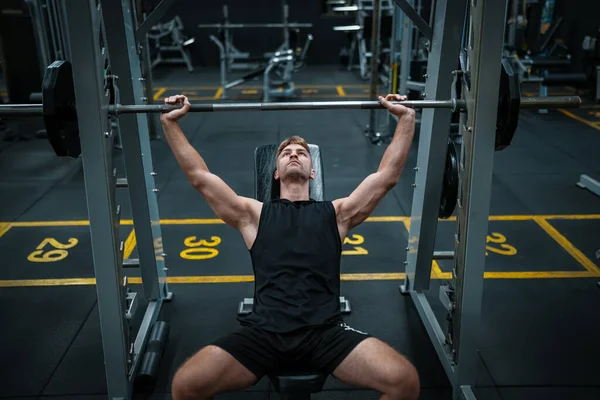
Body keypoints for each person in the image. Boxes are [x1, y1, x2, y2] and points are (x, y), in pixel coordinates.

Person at [160, 94, 419, 400]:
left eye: (301, 152)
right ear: (276, 172)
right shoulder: (253, 215)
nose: (294, 154)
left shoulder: (337, 214)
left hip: (325, 333)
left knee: (405, 382)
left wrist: (406, 118)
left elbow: (386, 177)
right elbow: (200, 178)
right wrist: (169, 122)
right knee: (186, 385)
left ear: (312, 171)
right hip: (264, 334)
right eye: (286, 153)